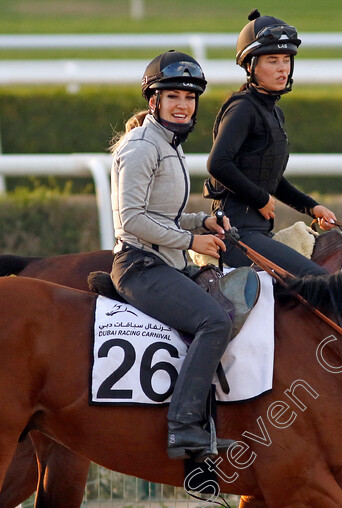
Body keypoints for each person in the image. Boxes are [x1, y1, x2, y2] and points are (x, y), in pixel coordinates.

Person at [109, 50, 235, 460]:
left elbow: (167, 214)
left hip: (165, 261)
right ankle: (183, 428)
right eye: (174, 97)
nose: (183, 105)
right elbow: (132, 220)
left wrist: (203, 223)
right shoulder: (143, 145)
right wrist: (191, 242)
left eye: (190, 98)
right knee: (214, 321)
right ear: (154, 102)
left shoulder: (168, 143)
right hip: (139, 265)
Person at [205, 9, 338, 277]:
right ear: (250, 66)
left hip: (259, 232)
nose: (282, 68)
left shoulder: (274, 112)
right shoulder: (242, 109)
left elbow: (271, 179)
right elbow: (217, 163)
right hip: (236, 235)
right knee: (321, 281)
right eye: (272, 60)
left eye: (286, 60)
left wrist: (311, 207)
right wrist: (261, 198)